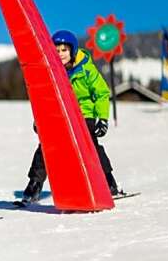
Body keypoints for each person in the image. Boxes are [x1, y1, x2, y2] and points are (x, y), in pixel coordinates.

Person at [21, 29, 122, 204]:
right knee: (46, 145)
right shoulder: (50, 71)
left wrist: (102, 118)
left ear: (72, 51)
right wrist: (40, 121)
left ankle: (109, 182)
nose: (60, 54)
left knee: (90, 145)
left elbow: (102, 93)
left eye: (64, 50)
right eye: (57, 50)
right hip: (60, 115)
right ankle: (34, 185)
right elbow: (44, 99)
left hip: (85, 114)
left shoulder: (86, 69)